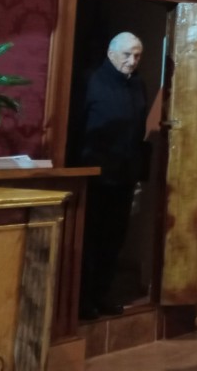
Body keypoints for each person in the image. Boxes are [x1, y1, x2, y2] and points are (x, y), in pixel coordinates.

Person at [78, 32, 150, 321]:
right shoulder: (90, 80)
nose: (132, 61)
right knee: (90, 240)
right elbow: (77, 126)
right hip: (94, 176)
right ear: (111, 54)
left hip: (124, 176)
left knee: (114, 240)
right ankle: (82, 301)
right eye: (127, 55)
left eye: (137, 56)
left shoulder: (138, 85)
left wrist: (139, 174)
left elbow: (138, 131)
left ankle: (102, 295)